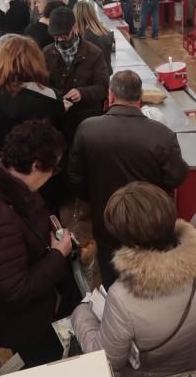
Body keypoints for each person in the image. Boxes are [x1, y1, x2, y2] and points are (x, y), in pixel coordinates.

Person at [71, 183, 196, 377]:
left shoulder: (123, 297)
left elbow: (106, 359)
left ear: (133, 243)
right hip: (190, 361)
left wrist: (82, 313)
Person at [0, 120, 74, 368]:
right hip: (16, 322)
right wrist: (58, 254)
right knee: (44, 362)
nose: (53, 174)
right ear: (35, 166)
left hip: (31, 309)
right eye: (53, 168)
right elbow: (15, 291)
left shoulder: (9, 181)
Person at [69, 70, 188, 285]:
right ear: (140, 96)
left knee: (110, 272)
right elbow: (175, 178)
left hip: (106, 221)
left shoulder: (88, 129)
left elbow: (76, 179)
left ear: (111, 95)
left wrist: (95, 199)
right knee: (148, 276)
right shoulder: (163, 135)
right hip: (148, 223)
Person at [0, 35, 64, 162]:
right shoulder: (51, 97)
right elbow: (60, 143)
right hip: (40, 171)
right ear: (36, 61)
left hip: (2, 168)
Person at [44, 7, 109, 141]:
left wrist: (82, 93)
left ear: (74, 27)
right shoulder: (46, 53)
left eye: (64, 35)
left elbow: (103, 87)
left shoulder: (94, 53)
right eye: (56, 36)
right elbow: (41, 84)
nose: (60, 40)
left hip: (86, 122)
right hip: (58, 123)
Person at [74, 1, 114, 72]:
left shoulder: (86, 38)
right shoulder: (105, 31)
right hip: (106, 74)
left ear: (77, 17)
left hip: (94, 78)